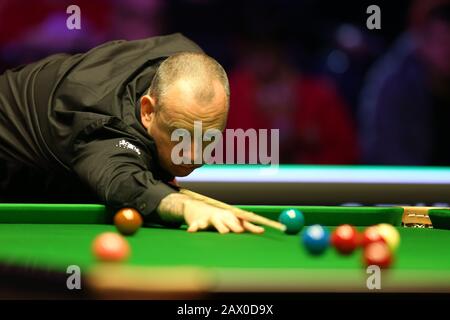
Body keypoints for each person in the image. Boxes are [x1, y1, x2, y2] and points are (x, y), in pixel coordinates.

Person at [0, 33, 264, 234]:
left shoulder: (185, 61)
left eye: (208, 138)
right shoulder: (102, 123)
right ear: (147, 110)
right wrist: (184, 205)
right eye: (179, 134)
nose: (193, 154)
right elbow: (121, 183)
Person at [359, 0, 450, 165]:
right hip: (410, 185)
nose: (447, 51)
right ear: (422, 42)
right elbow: (387, 153)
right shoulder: (394, 82)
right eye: (442, 42)